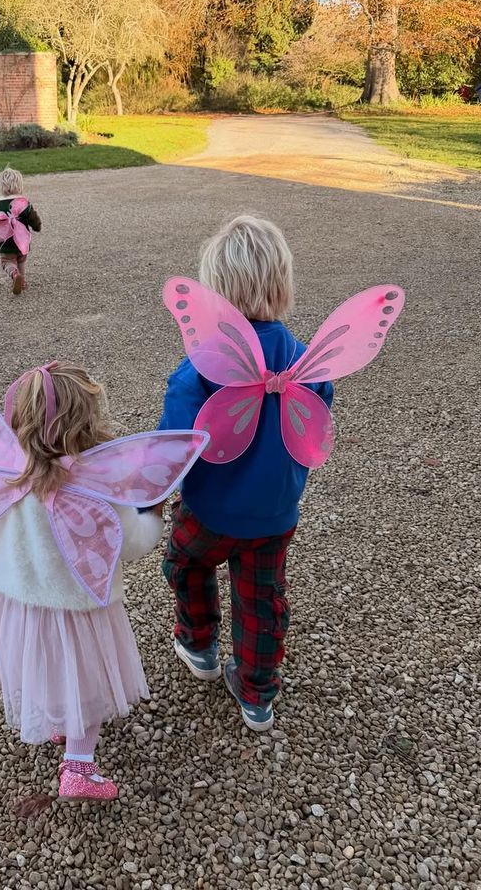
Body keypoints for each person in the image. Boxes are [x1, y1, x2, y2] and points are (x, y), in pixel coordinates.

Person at [157, 215, 333, 732]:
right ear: (283, 284)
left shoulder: (202, 368)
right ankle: (257, 695)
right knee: (261, 597)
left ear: (215, 299)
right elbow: (316, 424)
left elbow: (173, 445)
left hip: (209, 512)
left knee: (184, 565)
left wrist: (145, 496)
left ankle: (200, 644)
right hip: (275, 515)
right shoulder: (309, 361)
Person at [0, 363, 165, 801]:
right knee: (87, 681)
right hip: (77, 606)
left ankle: (57, 717)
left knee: (41, 664)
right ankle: (79, 766)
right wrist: (154, 517)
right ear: (86, 422)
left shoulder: (1, 475)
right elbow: (129, 543)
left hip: (15, 601)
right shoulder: (97, 484)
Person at [0, 167, 41, 295]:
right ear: (20, 185)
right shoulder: (24, 203)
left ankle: (15, 275)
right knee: (21, 259)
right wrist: (37, 226)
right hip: (22, 241)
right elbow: (33, 217)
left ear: (2, 186)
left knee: (7, 262)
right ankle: (23, 281)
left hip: (6, 242)